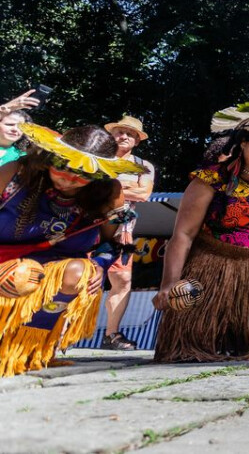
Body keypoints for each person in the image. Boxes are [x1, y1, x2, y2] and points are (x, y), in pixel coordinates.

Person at [153, 101, 249, 362]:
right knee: (189, 350)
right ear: (243, 144)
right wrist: (169, 283)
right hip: (210, 269)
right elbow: (183, 234)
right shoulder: (210, 179)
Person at [0, 123, 142, 376]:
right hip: (6, 263)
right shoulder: (15, 173)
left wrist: (99, 265)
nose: (69, 180)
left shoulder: (109, 192)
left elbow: (111, 243)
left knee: (80, 272)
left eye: (82, 175)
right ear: (50, 158)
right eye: (62, 168)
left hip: (59, 268)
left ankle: (31, 348)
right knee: (22, 274)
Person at [100, 116, 156, 351]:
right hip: (89, 228)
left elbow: (144, 194)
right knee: (80, 278)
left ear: (137, 141)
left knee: (122, 281)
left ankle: (111, 335)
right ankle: (64, 331)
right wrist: (127, 187)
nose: (123, 136)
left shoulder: (145, 165)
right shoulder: (97, 157)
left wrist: (109, 184)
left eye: (130, 134)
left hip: (122, 232)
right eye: (120, 131)